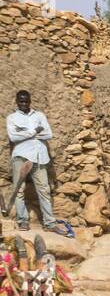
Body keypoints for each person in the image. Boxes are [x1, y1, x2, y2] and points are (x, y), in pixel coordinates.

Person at [6, 90, 59, 233]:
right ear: (16, 101)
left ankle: (49, 223)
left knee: (44, 190)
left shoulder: (40, 116)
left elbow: (48, 134)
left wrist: (24, 134)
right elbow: (13, 137)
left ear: (30, 101)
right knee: (19, 190)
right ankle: (22, 221)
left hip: (40, 157)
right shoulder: (12, 118)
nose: (24, 104)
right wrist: (34, 132)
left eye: (26, 101)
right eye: (21, 101)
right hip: (21, 157)